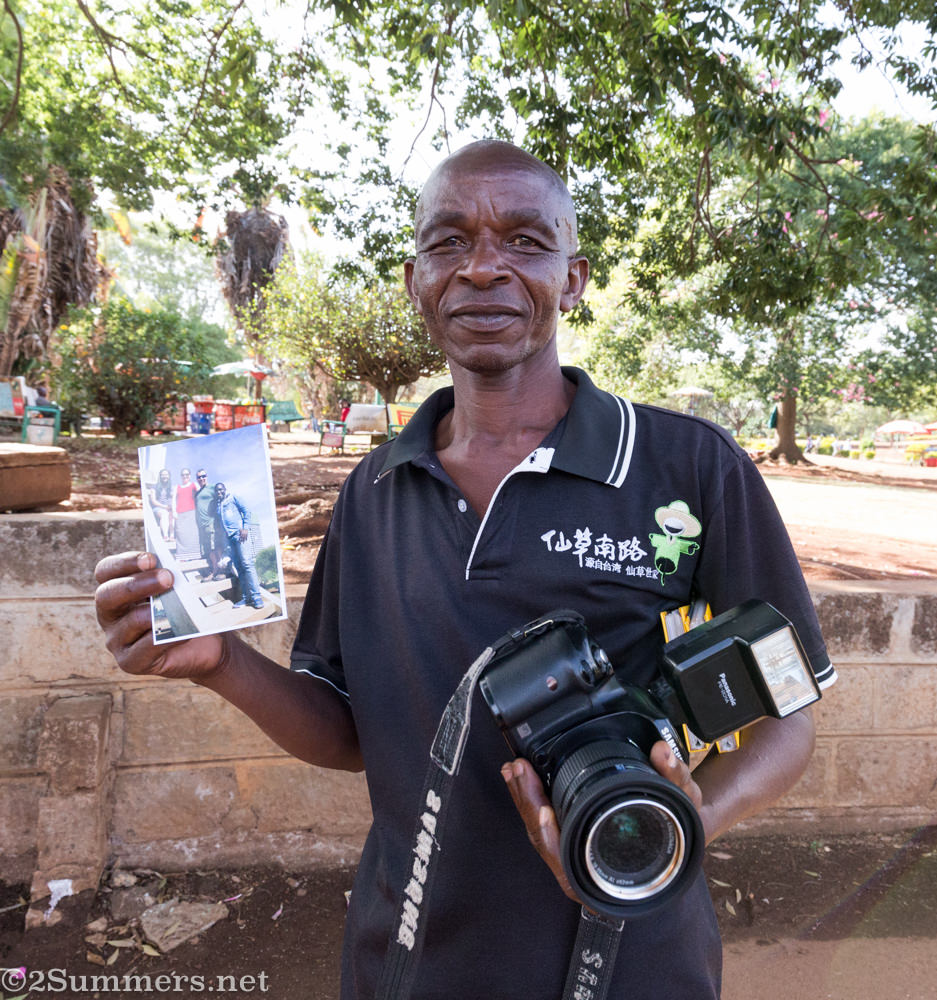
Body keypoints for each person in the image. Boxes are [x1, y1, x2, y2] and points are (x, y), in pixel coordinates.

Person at [95, 141, 834, 1000]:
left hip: (634, 960)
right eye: (449, 242)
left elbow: (788, 721)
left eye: (524, 241)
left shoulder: (688, 468)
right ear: (415, 279)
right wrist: (222, 664)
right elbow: (349, 732)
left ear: (574, 278)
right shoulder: (373, 493)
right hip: (408, 962)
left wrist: (687, 816)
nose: (483, 267)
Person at [211, 482, 264, 610]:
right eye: (217, 491)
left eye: (221, 490)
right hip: (228, 539)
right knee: (239, 567)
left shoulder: (233, 497)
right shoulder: (218, 506)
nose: (219, 492)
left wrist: (245, 528)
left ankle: (257, 597)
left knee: (247, 563)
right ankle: (247, 598)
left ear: (225, 489)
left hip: (240, 535)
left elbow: (246, 511)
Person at [173, 468, 199, 561]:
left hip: (192, 512)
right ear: (181, 476)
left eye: (187, 474)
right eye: (183, 475)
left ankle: (194, 557)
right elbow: (173, 500)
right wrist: (174, 511)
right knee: (181, 535)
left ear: (190, 475)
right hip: (180, 513)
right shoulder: (177, 487)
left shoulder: (194, 485)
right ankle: (182, 557)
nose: (185, 476)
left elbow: (199, 496)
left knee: (192, 534)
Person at [147, 468, 173, 541]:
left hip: (169, 508)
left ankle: (172, 535)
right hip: (159, 508)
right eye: (163, 475)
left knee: (173, 514)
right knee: (164, 514)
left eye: (166, 475)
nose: (165, 476)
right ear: (160, 476)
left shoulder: (172, 487)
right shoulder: (154, 487)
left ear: (169, 476)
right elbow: (153, 501)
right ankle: (165, 536)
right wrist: (164, 507)